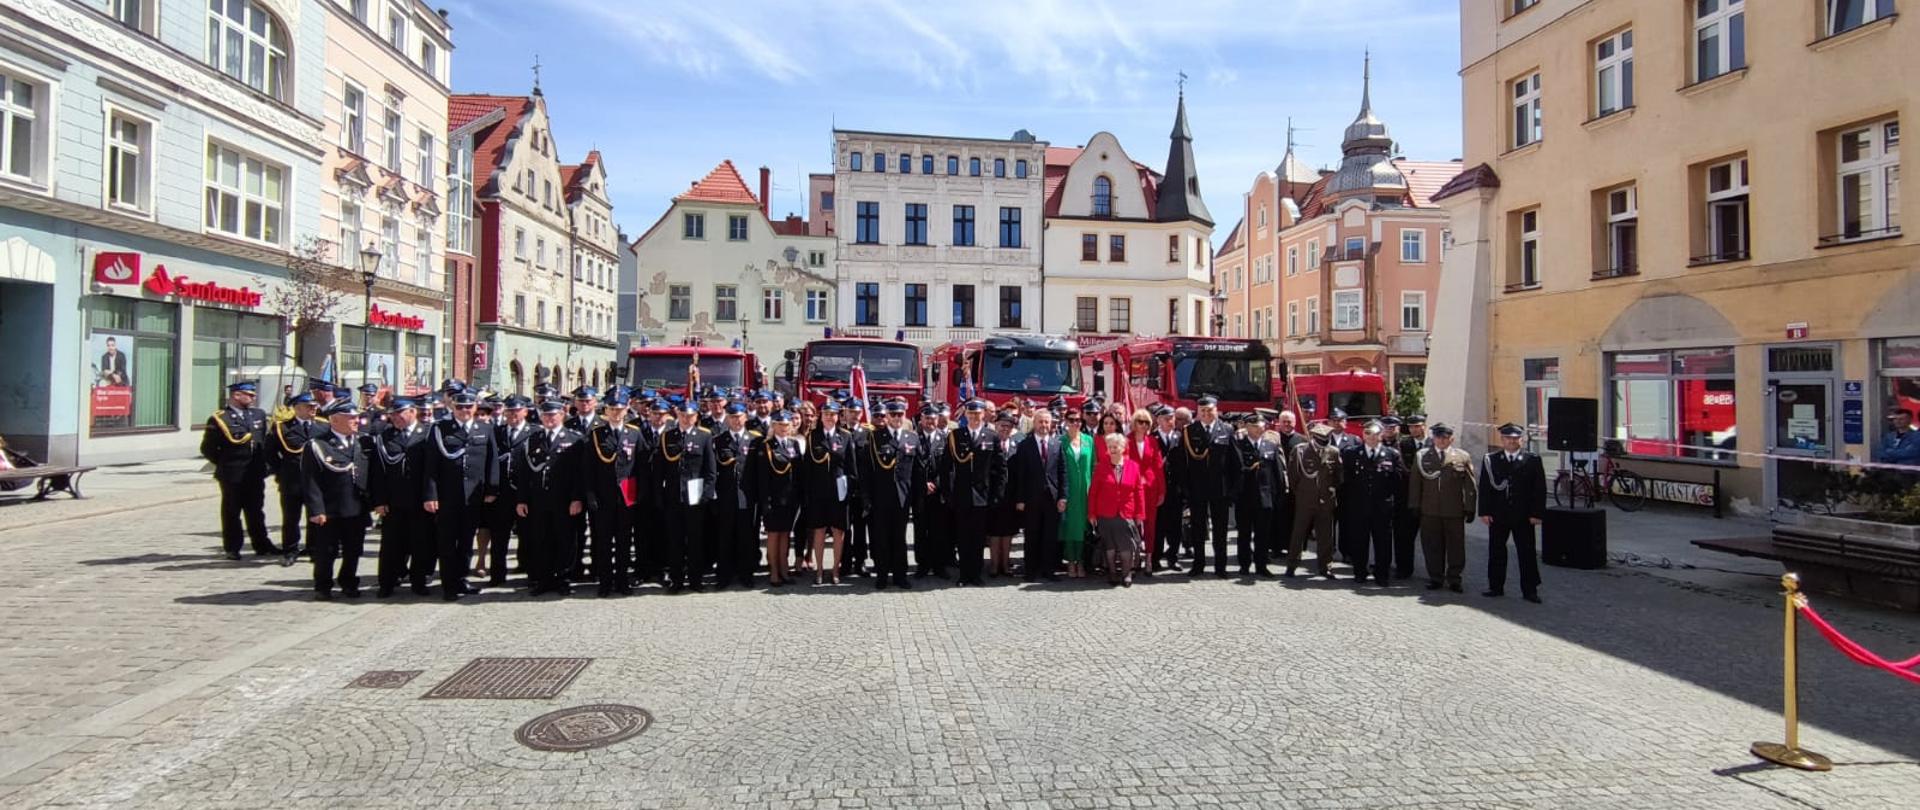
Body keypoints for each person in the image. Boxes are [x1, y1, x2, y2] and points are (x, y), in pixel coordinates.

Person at [422, 390, 499, 601]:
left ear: (475, 408)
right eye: (460, 407)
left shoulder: (484, 428)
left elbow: (492, 461)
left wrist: (492, 489)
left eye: (468, 407)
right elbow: (431, 465)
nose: (465, 411)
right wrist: (430, 494)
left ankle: (462, 579)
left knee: (466, 541)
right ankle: (449, 584)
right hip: (447, 496)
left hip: (473, 496)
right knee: (447, 542)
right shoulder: (440, 430)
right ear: (452, 408)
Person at [200, 380, 279, 560]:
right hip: (232, 473)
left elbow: (264, 443)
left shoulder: (257, 415)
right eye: (250, 395)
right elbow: (208, 448)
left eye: (253, 394)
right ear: (236, 395)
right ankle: (232, 547)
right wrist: (226, 463)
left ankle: (261, 544)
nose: (254, 397)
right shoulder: (220, 418)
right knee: (231, 511)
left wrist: (265, 466)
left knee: (256, 510)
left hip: (255, 472)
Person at [302, 399, 371, 600]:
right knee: (327, 551)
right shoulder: (318, 445)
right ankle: (323, 585)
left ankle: (349, 581)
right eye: (351, 418)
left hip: (356, 507)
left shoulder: (362, 442)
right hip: (330, 508)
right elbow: (310, 481)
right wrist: (316, 510)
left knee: (354, 549)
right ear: (335, 420)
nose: (356, 421)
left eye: (357, 418)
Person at [514, 399, 585, 596]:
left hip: (565, 500)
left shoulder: (574, 439)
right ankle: (543, 579)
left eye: (553, 415)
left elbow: (580, 474)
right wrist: (521, 500)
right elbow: (524, 474)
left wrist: (577, 498)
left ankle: (563, 578)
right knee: (541, 540)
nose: (549, 419)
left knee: (565, 540)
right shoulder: (532, 439)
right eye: (545, 415)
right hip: (539, 500)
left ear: (562, 415)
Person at [368, 397, 433, 597]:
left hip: (420, 501)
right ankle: (386, 583)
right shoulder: (385, 436)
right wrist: (378, 501)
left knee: (420, 544)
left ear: (413, 412)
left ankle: (418, 582)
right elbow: (377, 473)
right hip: (393, 501)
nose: (394, 417)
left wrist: (431, 496)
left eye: (399, 413)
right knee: (390, 545)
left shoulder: (428, 434)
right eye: (393, 414)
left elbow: (432, 471)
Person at [1479, 423, 1547, 603]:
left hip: (1523, 515)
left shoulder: (1532, 460)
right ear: (1502, 440)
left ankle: (1530, 590)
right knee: (1496, 551)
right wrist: (1484, 511)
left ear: (1521, 440)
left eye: (1515, 438)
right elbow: (1485, 487)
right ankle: (1495, 586)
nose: (1511, 441)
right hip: (1498, 514)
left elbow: (1539, 489)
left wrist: (1537, 513)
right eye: (1508, 438)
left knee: (1527, 553)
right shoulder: (1491, 459)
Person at [582, 388, 640, 596]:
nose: (616, 413)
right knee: (604, 542)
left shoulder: (634, 433)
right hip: (603, 497)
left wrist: (638, 496)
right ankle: (605, 582)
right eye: (612, 409)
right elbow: (588, 469)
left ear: (626, 410)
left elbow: (640, 467)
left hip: (627, 496)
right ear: (606, 410)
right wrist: (590, 495)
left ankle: (622, 581)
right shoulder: (597, 434)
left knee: (624, 542)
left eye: (620, 409)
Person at [860, 399, 922, 590]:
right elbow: (866, 471)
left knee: (899, 538)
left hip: (902, 498)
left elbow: (918, 472)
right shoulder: (874, 437)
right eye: (893, 415)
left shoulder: (912, 438)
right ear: (886, 416)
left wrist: (918, 498)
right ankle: (881, 575)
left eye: (900, 415)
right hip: (880, 497)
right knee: (881, 538)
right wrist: (867, 498)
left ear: (905, 416)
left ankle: (900, 575)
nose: (896, 418)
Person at [1407, 423, 1476, 592]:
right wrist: (1414, 505)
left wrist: (1470, 507)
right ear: (1433, 438)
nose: (1441, 440)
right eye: (1438, 437)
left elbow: (1470, 485)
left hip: (1454, 511)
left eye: (1445, 437)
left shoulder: (1462, 456)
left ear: (1451, 438)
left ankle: (1454, 579)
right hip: (1429, 511)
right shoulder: (1423, 456)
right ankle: (1435, 577)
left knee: (1456, 547)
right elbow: (1415, 483)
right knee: (1432, 545)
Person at [1178, 396, 1240, 577]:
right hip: (1197, 489)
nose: (1205, 414)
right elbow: (1183, 463)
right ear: (1198, 412)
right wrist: (1185, 488)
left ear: (1216, 410)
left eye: (1209, 410)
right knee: (1198, 529)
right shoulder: (1189, 431)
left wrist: (1233, 490)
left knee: (1220, 531)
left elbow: (1235, 463)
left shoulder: (1227, 430)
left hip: (1220, 489)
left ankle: (1221, 567)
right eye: (1202, 411)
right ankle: (1198, 565)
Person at [658, 399, 716, 593]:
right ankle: (676, 580)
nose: (686, 418)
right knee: (674, 541)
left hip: (696, 498)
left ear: (696, 417)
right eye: (683, 415)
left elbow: (710, 471)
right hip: (673, 496)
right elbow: (660, 470)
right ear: (678, 416)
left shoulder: (704, 437)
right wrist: (660, 495)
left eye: (690, 415)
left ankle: (695, 580)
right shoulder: (668, 437)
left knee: (695, 541)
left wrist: (705, 496)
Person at [1339, 420, 1403, 586]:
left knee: (1383, 543)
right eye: (1368, 433)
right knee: (1359, 541)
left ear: (1381, 435)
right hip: (1358, 506)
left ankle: (1382, 575)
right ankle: (1360, 572)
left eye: (1375, 434)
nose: (1372, 437)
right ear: (1363, 435)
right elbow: (1346, 481)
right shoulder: (1351, 453)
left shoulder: (1391, 454)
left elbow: (1397, 481)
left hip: (1382, 507)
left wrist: (1391, 502)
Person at [479, 395, 533, 587]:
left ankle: (530, 574)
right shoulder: (496, 431)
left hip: (525, 493)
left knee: (529, 536)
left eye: (516, 411)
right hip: (500, 493)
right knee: (499, 537)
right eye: (509, 411)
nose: (512, 415)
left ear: (525, 412)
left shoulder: (534, 432)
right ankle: (497, 574)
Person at [801, 401, 855, 586]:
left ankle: (835, 570)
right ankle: (819, 570)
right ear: (820, 416)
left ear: (838, 416)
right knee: (819, 531)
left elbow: (851, 467)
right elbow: (807, 468)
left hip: (839, 492)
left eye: (832, 414)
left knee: (839, 532)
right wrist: (807, 493)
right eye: (826, 414)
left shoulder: (846, 437)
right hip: (818, 492)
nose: (829, 418)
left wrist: (850, 492)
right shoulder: (812, 437)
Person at [1011, 409, 1068, 581]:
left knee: (1050, 536)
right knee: (1032, 535)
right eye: (1040, 422)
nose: (1044, 425)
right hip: (1031, 498)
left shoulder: (1057, 444)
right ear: (1034, 423)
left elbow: (1062, 472)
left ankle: (1048, 570)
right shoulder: (1024, 445)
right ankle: (1030, 571)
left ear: (1051, 424)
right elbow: (1019, 475)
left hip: (1052, 498)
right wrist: (1020, 499)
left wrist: (1063, 497)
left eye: (1046, 422)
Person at [710, 402, 761, 590]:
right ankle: (724, 575)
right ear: (727, 418)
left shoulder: (755, 440)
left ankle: (746, 574)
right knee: (725, 537)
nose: (736, 420)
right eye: (732, 417)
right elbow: (714, 472)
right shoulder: (718, 440)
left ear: (745, 418)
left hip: (747, 497)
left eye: (739, 417)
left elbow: (758, 472)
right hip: (726, 497)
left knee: (746, 537)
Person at [751, 410, 805, 586]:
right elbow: (762, 478)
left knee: (786, 535)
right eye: (780, 424)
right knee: (774, 535)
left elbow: (798, 474)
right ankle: (774, 571)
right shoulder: (766, 446)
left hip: (790, 499)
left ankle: (784, 569)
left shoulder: (793, 445)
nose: (783, 428)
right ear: (773, 426)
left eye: (786, 424)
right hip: (773, 499)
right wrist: (765, 501)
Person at [1285, 423, 1344, 578]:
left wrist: (1331, 489)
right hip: (1305, 499)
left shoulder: (1333, 452)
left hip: (1326, 500)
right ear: (1313, 437)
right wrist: (1301, 493)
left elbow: (1338, 476)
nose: (1323, 442)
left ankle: (1326, 567)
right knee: (1298, 533)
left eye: (1326, 439)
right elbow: (1293, 476)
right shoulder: (1300, 451)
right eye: (1320, 439)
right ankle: (1292, 564)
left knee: (1326, 535)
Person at [1089, 432, 1147, 587]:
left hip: (1126, 513)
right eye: (1110, 447)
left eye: (1116, 447)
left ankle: (1126, 574)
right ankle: (1112, 573)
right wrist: (1092, 513)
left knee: (1126, 545)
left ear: (1123, 448)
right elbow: (1093, 492)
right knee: (1110, 546)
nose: (1112, 449)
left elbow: (1139, 491)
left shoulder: (1133, 466)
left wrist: (1140, 513)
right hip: (1105, 513)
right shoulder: (1101, 467)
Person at [268, 392, 319, 566]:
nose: (313, 409)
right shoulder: (282, 428)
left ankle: (313, 548)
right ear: (297, 408)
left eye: (314, 406)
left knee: (315, 516)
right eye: (308, 406)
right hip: (292, 480)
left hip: (316, 481)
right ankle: (290, 550)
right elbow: (270, 454)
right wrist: (281, 472)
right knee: (291, 518)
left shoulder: (322, 427)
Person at [1234, 412, 1287, 577]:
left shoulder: (1270, 445)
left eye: (1261, 426)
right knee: (1244, 533)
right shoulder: (1238, 445)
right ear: (1247, 427)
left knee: (1263, 534)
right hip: (1244, 497)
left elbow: (1277, 472)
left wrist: (1278, 494)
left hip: (1265, 498)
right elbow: (1232, 471)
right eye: (1254, 426)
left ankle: (1261, 564)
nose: (1258, 429)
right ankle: (1244, 565)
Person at [912, 404, 953, 579]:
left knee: (939, 531)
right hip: (920, 493)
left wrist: (935, 484)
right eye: (927, 418)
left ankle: (939, 566)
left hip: (938, 493)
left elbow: (948, 468)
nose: (930, 421)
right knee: (921, 530)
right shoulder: (913, 439)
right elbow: (910, 467)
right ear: (921, 420)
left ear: (938, 420)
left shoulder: (946, 439)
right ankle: (922, 565)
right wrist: (923, 484)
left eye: (933, 418)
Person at [1125, 408, 1167, 576]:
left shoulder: (1152, 441)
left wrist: (1162, 491)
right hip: (1132, 488)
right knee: (1133, 525)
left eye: (1146, 422)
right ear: (1134, 423)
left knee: (1150, 525)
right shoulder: (1126, 441)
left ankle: (1149, 558)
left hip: (1151, 488)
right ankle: (1135, 558)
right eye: (1139, 422)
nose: (1143, 425)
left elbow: (1158, 467)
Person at [986, 410, 1024, 577]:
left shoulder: (1018, 446)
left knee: (1008, 532)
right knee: (994, 532)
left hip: (1011, 497)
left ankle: (1006, 564)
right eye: (1002, 425)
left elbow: (1021, 475)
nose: (1005, 429)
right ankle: (994, 565)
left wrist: (1020, 498)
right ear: (996, 425)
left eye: (1008, 427)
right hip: (992, 496)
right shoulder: (988, 443)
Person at [1393, 414, 1429, 580]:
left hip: (1429, 500)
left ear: (1424, 426)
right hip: (1406, 499)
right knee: (1404, 537)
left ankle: (1435, 573)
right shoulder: (1402, 444)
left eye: (1418, 426)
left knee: (1431, 540)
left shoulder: (1432, 444)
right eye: (1412, 426)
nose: (1414, 429)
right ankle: (1403, 569)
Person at [1059, 409, 1094, 578]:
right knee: (1069, 527)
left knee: (1082, 527)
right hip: (1069, 490)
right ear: (1065, 421)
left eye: (1079, 420)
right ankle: (1071, 561)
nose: (1075, 423)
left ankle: (1080, 561)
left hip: (1085, 491)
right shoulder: (1060, 441)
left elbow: (1094, 466)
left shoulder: (1089, 441)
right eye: (1072, 420)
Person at [1150, 406, 1183, 571]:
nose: (1170, 422)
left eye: (1172, 418)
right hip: (1157, 489)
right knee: (1158, 526)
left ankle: (1173, 557)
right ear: (1158, 420)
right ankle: (1155, 558)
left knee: (1175, 526)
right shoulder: (1152, 438)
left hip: (1175, 489)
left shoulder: (1180, 437)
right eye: (1166, 419)